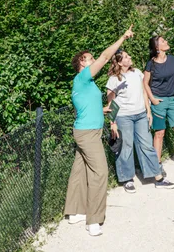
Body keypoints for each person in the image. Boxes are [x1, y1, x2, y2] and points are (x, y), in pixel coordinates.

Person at [63, 26, 134, 237]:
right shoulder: (83, 77)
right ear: (81, 64)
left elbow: (82, 105)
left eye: (92, 57)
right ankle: (93, 220)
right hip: (88, 133)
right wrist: (122, 37)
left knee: (80, 170)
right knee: (100, 172)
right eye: (89, 58)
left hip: (85, 130)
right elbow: (105, 56)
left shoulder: (85, 83)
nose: (93, 59)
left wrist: (101, 109)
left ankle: (74, 212)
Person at [106, 49, 174, 192]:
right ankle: (127, 178)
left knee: (147, 145)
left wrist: (148, 111)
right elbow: (110, 103)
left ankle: (157, 177)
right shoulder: (114, 79)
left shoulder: (137, 73)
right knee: (126, 147)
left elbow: (144, 91)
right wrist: (112, 123)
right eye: (126, 57)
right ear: (119, 62)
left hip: (141, 115)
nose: (129, 57)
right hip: (123, 116)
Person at [143, 36, 174, 174]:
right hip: (159, 101)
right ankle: (157, 164)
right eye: (163, 41)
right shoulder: (151, 64)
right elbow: (145, 83)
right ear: (157, 48)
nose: (166, 42)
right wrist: (152, 99)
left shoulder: (172, 59)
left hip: (172, 99)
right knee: (159, 133)